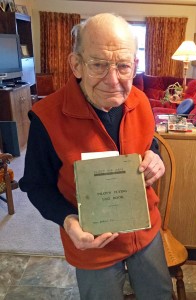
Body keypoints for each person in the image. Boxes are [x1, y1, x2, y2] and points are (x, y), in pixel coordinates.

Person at [19, 13, 172, 300]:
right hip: (92, 242)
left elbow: (147, 145)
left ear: (134, 65)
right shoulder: (47, 117)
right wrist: (67, 220)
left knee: (159, 295)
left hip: (146, 229)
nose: (113, 80)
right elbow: (36, 186)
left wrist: (155, 158)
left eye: (123, 66)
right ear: (76, 65)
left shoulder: (140, 102)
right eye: (99, 64)